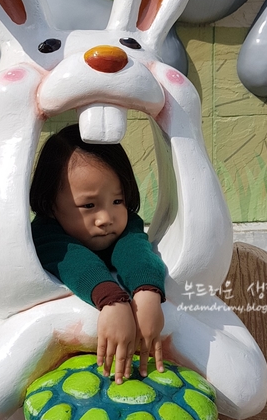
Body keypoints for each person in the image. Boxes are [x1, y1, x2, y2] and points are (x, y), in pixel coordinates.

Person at [30, 124, 166, 385]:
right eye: (89, 205)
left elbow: (135, 249)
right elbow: (71, 259)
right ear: (50, 204)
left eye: (117, 201)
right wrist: (112, 300)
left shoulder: (125, 225)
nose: (106, 218)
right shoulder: (44, 233)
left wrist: (147, 291)